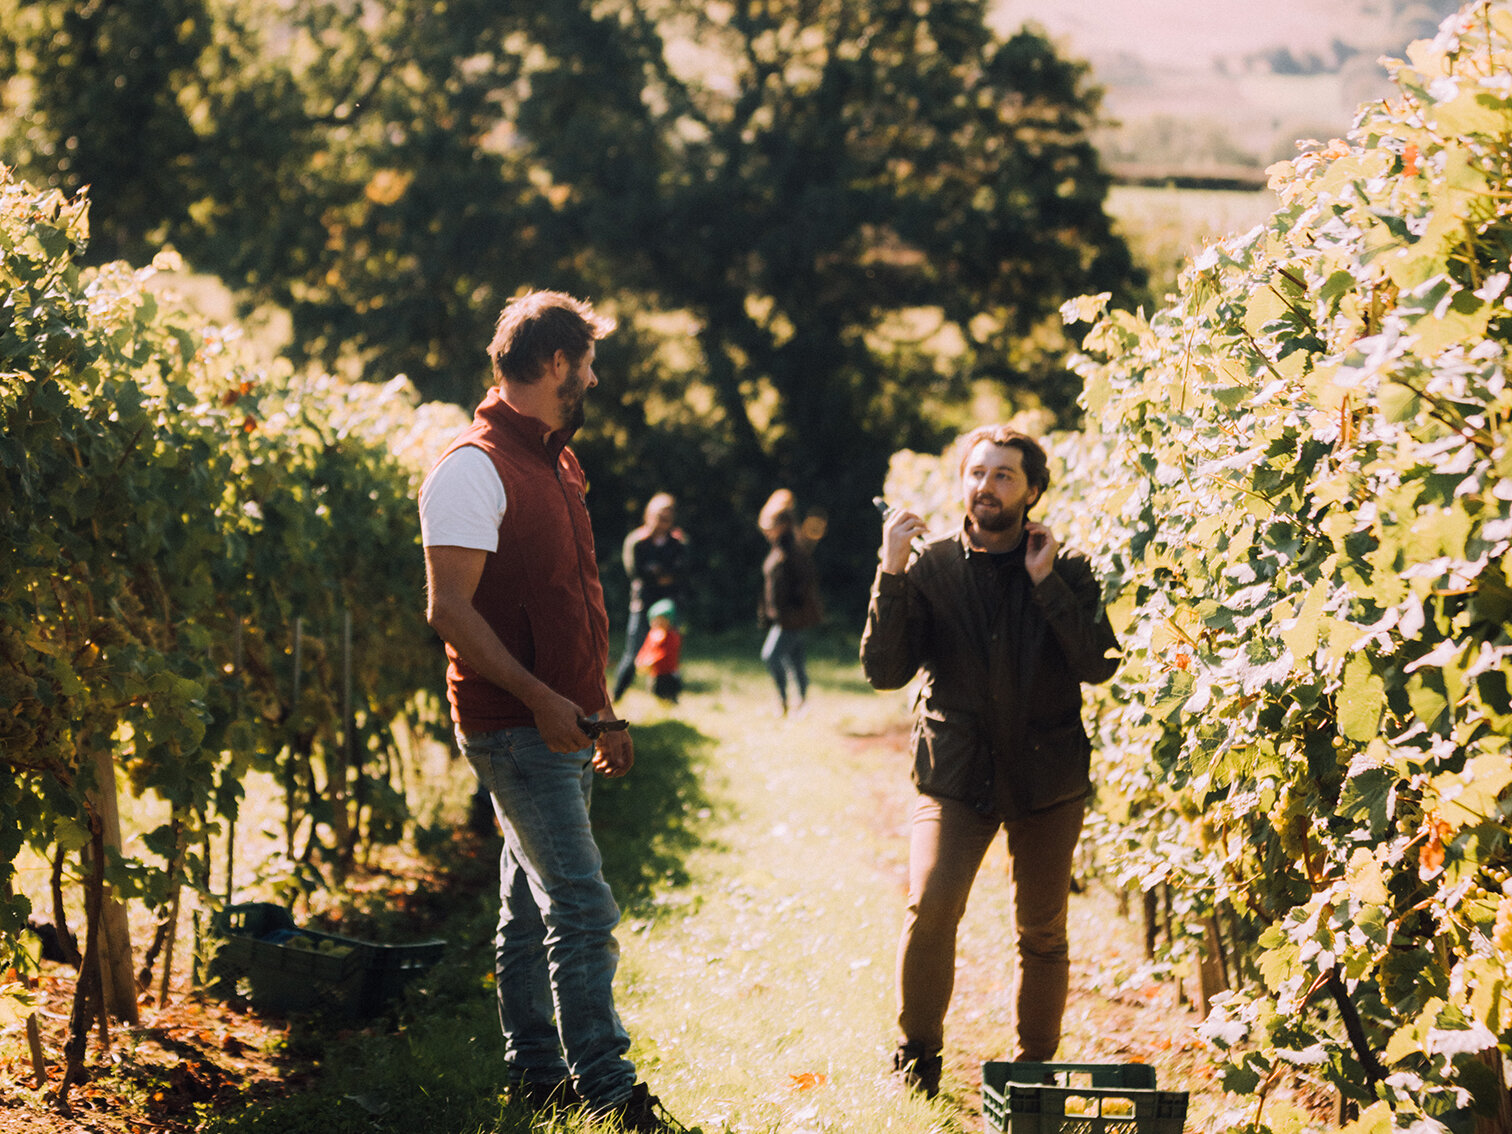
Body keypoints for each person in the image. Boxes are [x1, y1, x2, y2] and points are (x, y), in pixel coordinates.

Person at [419, 290, 683, 1133]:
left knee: (530, 905)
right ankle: (608, 1088)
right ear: (556, 362)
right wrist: (544, 703)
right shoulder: (472, 467)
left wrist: (602, 709)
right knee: (582, 905)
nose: (595, 381)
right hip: (513, 727)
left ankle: (536, 1072)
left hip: (567, 724)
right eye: (589, 364)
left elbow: (576, 600)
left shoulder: (557, 462)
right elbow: (450, 612)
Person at [859, 425, 1120, 1099]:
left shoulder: (1069, 569)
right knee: (932, 903)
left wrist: (1044, 585)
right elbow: (885, 671)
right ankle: (918, 1057)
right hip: (956, 771)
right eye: (978, 473)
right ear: (962, 484)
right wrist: (889, 571)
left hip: (1047, 777)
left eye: (1004, 475)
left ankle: (1033, 1072)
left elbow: (1099, 664)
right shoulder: (931, 566)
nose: (987, 487)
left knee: (1042, 929)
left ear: (1033, 490)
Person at [611, 493, 688, 700]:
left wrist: (658, 572)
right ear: (649, 515)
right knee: (633, 652)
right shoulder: (638, 541)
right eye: (660, 516)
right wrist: (660, 575)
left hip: (668, 605)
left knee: (668, 653)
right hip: (643, 603)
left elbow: (681, 571)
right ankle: (615, 695)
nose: (663, 522)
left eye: (668, 518)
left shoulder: (677, 542)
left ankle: (668, 697)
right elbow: (636, 572)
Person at [757, 489, 822, 716]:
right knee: (795, 660)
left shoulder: (793, 550)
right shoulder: (779, 548)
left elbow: (806, 580)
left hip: (792, 617)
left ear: (782, 525)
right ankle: (800, 703)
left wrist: (794, 605)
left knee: (772, 655)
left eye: (770, 525)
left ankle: (785, 701)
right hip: (783, 616)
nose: (766, 530)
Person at [634, 597, 683, 703]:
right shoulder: (652, 634)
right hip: (656, 673)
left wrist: (652, 660)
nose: (658, 624)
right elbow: (646, 649)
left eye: (662, 621)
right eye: (655, 621)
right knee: (656, 692)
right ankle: (661, 708)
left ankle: (672, 708)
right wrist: (641, 659)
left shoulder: (672, 636)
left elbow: (667, 653)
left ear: (669, 621)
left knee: (670, 694)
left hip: (669, 672)